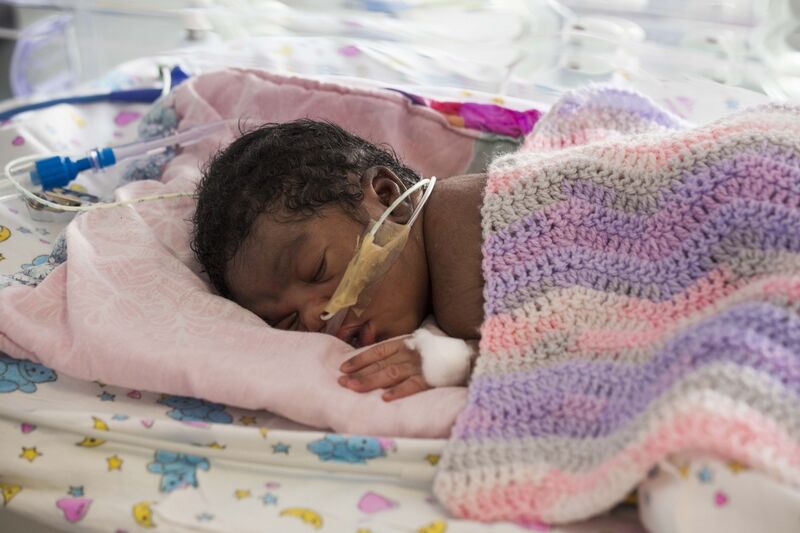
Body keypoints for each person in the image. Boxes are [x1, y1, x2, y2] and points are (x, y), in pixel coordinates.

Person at [191, 119, 483, 401]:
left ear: (386, 196)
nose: (314, 317)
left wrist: (465, 360)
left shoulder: (460, 219)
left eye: (317, 270)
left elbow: (515, 356)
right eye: (289, 321)